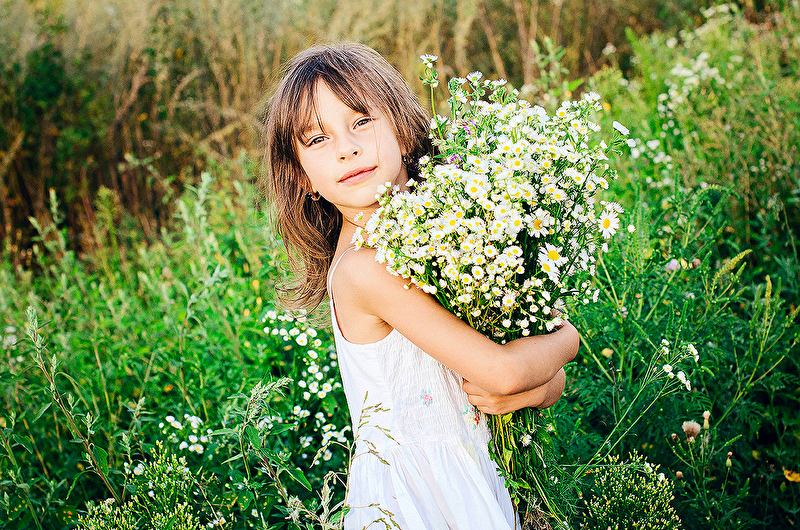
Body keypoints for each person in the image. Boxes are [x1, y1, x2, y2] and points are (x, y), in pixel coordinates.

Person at [262, 42, 579, 529]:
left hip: (476, 468)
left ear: (404, 130)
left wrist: (539, 388)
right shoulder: (364, 269)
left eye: (361, 121)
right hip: (422, 498)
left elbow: (523, 375)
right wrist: (568, 339)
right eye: (318, 139)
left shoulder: (450, 235)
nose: (346, 148)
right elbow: (504, 371)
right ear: (302, 176)